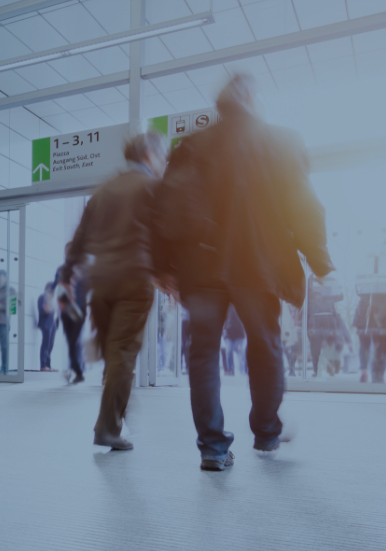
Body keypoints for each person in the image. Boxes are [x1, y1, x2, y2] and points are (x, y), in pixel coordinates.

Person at [154, 74, 333, 471]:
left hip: (201, 270)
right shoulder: (281, 140)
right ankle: (267, 432)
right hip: (257, 263)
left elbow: (165, 209)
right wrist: (320, 261)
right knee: (265, 346)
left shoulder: (191, 147)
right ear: (251, 97)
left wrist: (164, 267)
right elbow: (303, 205)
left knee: (202, 355)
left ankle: (213, 448)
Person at [61, 131, 167, 451]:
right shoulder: (152, 188)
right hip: (134, 279)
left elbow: (79, 237)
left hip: (101, 280)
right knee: (121, 353)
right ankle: (107, 428)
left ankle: (119, 407)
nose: (164, 162)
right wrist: (168, 273)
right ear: (149, 155)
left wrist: (67, 273)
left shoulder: (104, 189)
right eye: (162, 155)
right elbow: (165, 235)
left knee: (112, 353)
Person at [58, 261, 89, 384]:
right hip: (66, 313)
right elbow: (58, 292)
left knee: (73, 342)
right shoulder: (63, 274)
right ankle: (77, 371)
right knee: (71, 342)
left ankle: (77, 371)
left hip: (79, 313)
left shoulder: (83, 275)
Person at [37, 282, 60, 372]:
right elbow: (43, 311)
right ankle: (43, 365)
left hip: (53, 323)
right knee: (45, 344)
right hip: (46, 323)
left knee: (50, 345)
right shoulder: (42, 297)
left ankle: (48, 366)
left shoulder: (53, 299)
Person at [220, 305, 246, 377]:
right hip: (229, 334)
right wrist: (224, 329)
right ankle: (231, 370)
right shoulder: (226, 306)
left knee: (240, 353)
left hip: (239, 333)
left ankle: (242, 371)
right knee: (228, 351)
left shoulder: (241, 305)